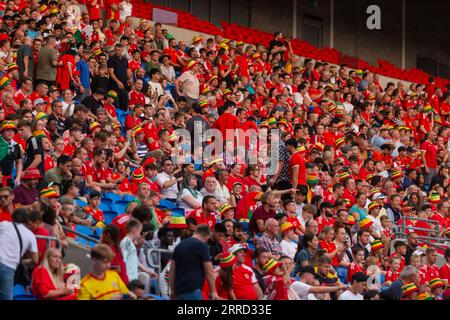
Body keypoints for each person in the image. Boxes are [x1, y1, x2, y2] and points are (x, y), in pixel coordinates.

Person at [169, 224, 219, 300]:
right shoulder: (202, 246)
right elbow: (209, 271)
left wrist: (172, 290)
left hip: (179, 291)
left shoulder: (179, 246)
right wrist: (213, 291)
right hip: (193, 290)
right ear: (207, 236)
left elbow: (172, 271)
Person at [0, 208, 38, 300]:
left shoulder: (4, 224)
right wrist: (22, 262)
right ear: (27, 220)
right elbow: (35, 260)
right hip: (8, 267)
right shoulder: (30, 235)